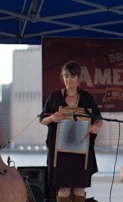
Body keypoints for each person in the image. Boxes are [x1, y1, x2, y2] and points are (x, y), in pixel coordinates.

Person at [40, 61, 103, 202]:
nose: (69, 80)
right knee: (64, 188)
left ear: (79, 78)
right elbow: (42, 120)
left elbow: (99, 120)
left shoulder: (87, 98)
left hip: (81, 150)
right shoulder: (54, 97)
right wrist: (52, 118)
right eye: (66, 76)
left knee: (80, 187)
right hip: (60, 151)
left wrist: (96, 126)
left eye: (72, 76)